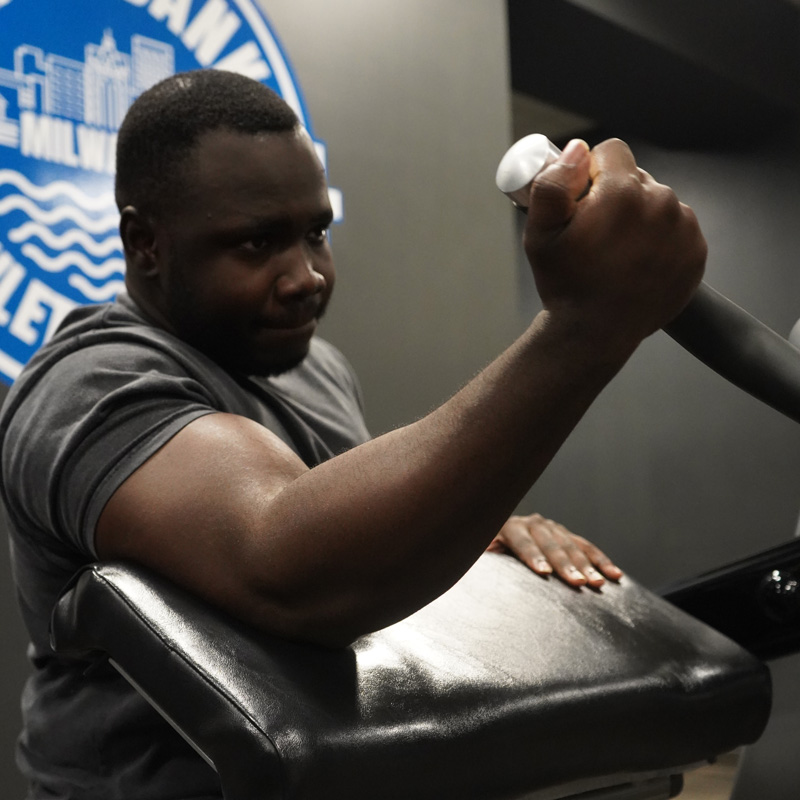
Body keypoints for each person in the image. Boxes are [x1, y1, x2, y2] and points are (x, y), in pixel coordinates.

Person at [0, 69, 706, 799]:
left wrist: (477, 532)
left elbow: (359, 540)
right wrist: (584, 331)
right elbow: (296, 570)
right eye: (257, 243)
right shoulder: (89, 385)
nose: (306, 275)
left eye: (315, 233)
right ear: (146, 242)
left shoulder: (316, 370)